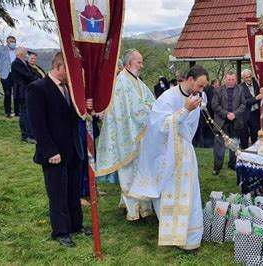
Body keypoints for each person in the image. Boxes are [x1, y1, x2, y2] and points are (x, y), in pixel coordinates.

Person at [128, 66, 209, 251]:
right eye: (199, 85)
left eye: (204, 87)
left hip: (186, 152)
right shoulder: (167, 98)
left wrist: (189, 111)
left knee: (190, 193)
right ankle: (172, 233)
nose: (201, 90)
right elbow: (161, 126)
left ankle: (190, 237)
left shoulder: (197, 97)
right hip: (166, 154)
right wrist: (184, 110)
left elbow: (190, 128)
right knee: (169, 193)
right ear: (189, 79)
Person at [27, 52, 90, 247]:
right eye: (70, 70)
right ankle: (61, 231)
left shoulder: (69, 89)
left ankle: (76, 225)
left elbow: (73, 117)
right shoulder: (37, 88)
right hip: (54, 152)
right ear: (59, 66)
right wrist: (49, 150)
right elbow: (38, 124)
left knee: (73, 190)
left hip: (73, 150)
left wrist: (85, 108)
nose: (74, 75)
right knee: (58, 193)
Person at [95, 49, 156, 221]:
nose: (142, 65)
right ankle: (133, 210)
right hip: (126, 135)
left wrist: (155, 109)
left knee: (139, 171)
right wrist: (150, 110)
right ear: (129, 63)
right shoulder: (122, 81)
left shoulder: (136, 80)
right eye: (139, 62)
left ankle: (142, 207)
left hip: (137, 133)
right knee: (129, 173)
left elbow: (148, 101)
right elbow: (134, 108)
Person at [211, 71, 246, 175]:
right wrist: (226, 114)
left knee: (234, 144)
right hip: (221, 122)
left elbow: (243, 104)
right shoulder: (218, 90)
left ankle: (233, 164)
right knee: (219, 145)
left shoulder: (240, 89)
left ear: (235, 79)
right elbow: (214, 104)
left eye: (233, 79)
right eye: (229, 79)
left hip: (235, 121)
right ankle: (217, 166)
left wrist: (234, 114)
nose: (231, 81)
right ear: (225, 79)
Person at [11, 47, 38, 144]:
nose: (27, 54)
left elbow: (30, 73)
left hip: (27, 90)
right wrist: (38, 80)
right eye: (25, 52)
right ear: (21, 53)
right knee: (24, 114)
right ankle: (26, 135)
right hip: (22, 92)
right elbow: (26, 75)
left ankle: (31, 134)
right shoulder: (16, 63)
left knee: (28, 113)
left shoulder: (24, 63)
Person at [0, 35, 19, 117]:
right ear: (7, 42)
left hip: (15, 74)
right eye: (11, 41)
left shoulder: (17, 51)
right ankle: (7, 112)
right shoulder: (1, 50)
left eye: (14, 42)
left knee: (16, 93)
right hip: (5, 75)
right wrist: (0, 71)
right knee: (7, 94)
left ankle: (17, 112)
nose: (13, 43)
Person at [240, 69, 263, 149]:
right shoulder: (240, 87)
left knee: (255, 133)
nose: (249, 79)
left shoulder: (257, 84)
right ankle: (245, 152)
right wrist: (256, 98)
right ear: (243, 78)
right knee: (244, 134)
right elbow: (244, 102)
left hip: (255, 113)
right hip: (245, 114)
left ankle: (254, 150)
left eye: (250, 76)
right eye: (246, 77)